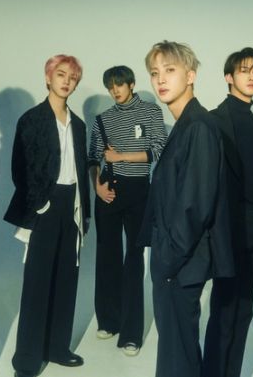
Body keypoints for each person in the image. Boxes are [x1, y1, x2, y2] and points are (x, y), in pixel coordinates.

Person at [139, 40, 234, 377]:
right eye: (154, 73)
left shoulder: (198, 126)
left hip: (180, 263)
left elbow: (195, 205)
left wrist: (167, 260)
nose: (160, 79)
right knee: (177, 349)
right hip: (176, 260)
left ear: (191, 75)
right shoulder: (186, 124)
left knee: (178, 355)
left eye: (170, 70)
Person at [4, 54, 90, 377]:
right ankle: (27, 360)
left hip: (72, 206)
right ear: (48, 77)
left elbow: (81, 170)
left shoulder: (78, 125)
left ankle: (57, 348)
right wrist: (39, 204)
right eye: (61, 74)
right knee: (37, 284)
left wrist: (84, 214)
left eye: (73, 77)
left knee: (67, 279)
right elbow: (20, 170)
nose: (67, 81)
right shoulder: (31, 119)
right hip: (45, 207)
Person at [203, 47, 253, 377]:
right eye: (245, 70)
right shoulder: (213, 121)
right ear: (228, 77)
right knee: (224, 307)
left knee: (244, 309)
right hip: (228, 228)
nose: (252, 77)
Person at [88, 65, 167, 356]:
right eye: (110, 86)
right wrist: (97, 187)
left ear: (131, 84)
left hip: (138, 191)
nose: (115, 90)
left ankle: (131, 334)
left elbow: (158, 149)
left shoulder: (151, 112)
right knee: (106, 256)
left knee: (134, 259)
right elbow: (92, 157)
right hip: (108, 191)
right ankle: (108, 320)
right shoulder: (103, 118)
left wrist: (121, 156)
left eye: (119, 84)